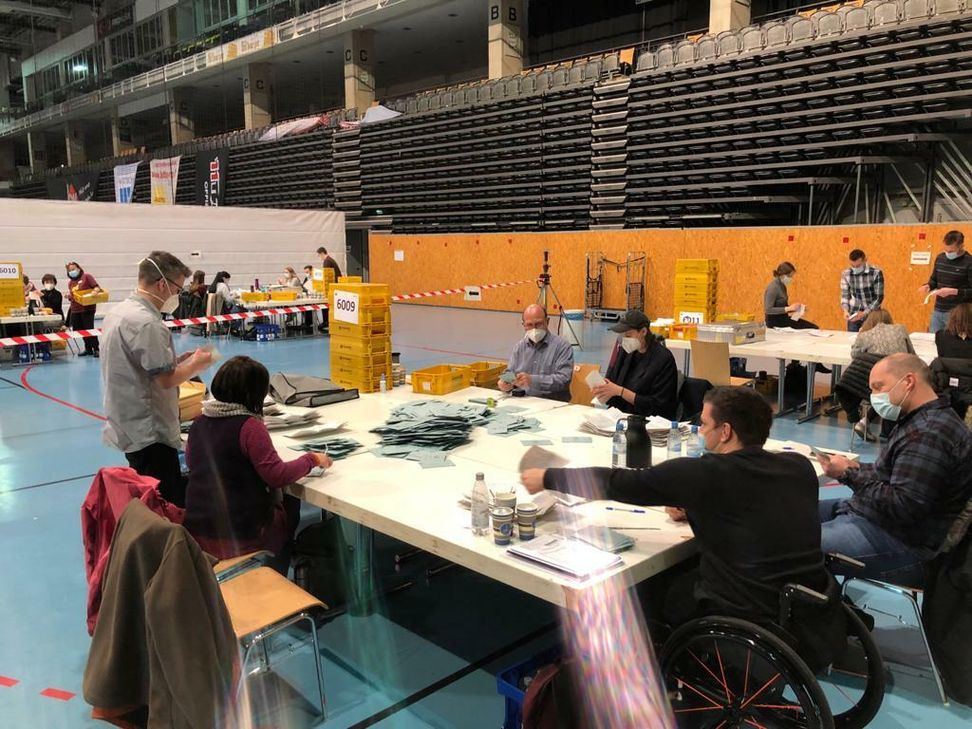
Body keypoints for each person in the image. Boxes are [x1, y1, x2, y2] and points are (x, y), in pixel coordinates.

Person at [520, 387, 845, 668]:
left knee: (641, 587)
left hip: (748, 606)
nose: (700, 431)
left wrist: (547, 477)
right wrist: (698, 510)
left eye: (704, 424)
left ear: (726, 431)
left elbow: (620, 483)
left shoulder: (706, 474)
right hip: (806, 601)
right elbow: (758, 511)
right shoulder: (799, 465)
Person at [818, 353, 972, 586]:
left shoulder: (930, 433)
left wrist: (848, 474)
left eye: (879, 387)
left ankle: (823, 615)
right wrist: (857, 467)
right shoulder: (918, 419)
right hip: (875, 518)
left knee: (788, 544)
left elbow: (903, 506)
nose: (874, 397)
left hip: (905, 543)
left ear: (908, 382)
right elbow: (894, 473)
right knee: (791, 513)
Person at [183, 356, 332, 570]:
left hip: (198, 529)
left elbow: (192, 462)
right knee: (290, 502)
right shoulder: (250, 427)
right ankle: (276, 572)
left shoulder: (198, 424)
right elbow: (277, 475)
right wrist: (312, 459)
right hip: (242, 533)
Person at [100, 252, 214, 507]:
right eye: (177, 289)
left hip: (128, 421)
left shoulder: (119, 313)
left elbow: (140, 365)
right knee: (165, 502)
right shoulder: (147, 323)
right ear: (163, 284)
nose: (177, 296)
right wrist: (196, 364)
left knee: (146, 491)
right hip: (150, 430)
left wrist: (175, 360)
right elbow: (165, 380)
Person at [838, 309, 914, 441]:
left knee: (881, 390)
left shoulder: (865, 335)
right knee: (896, 390)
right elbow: (911, 354)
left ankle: (864, 422)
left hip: (869, 381)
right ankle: (882, 430)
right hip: (896, 378)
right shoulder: (900, 329)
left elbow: (855, 355)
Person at [591, 309, 678, 419]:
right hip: (621, 416)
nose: (624, 340)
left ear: (643, 332)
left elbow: (659, 406)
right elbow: (614, 384)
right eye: (622, 336)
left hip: (648, 421)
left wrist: (620, 391)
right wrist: (605, 390)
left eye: (628, 335)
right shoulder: (625, 352)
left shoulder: (663, 359)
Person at [497, 304, 574, 402]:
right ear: (523, 325)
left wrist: (532, 380)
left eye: (539, 324)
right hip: (524, 401)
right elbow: (510, 372)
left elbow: (563, 380)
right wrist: (504, 381)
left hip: (552, 404)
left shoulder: (562, 346)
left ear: (547, 321)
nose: (534, 329)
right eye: (529, 325)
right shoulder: (519, 347)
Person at [922, 230, 972, 333]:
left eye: (951, 251)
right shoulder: (940, 258)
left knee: (954, 344)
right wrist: (928, 286)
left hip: (958, 313)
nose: (948, 254)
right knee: (933, 340)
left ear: (961, 246)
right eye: (946, 250)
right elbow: (934, 280)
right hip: (938, 310)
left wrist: (955, 291)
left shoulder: (969, 262)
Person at [763, 262, 818, 330]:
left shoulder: (782, 286)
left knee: (813, 327)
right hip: (775, 322)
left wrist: (797, 308)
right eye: (789, 276)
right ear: (782, 275)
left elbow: (782, 307)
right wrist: (789, 308)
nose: (791, 278)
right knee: (813, 328)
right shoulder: (773, 288)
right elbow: (768, 309)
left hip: (783, 318)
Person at [841, 249, 885, 332]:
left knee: (871, 341)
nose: (855, 268)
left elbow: (878, 297)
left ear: (865, 260)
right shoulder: (846, 274)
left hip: (872, 314)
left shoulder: (876, 273)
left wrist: (865, 312)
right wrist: (845, 310)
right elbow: (845, 294)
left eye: (858, 266)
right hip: (854, 314)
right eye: (852, 266)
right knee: (852, 341)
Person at [66, 261, 102, 357]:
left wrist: (95, 291)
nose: (71, 271)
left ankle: (96, 349)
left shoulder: (87, 277)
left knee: (89, 329)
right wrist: (69, 296)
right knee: (79, 329)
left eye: (73, 269)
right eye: (69, 270)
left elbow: (97, 287)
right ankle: (88, 349)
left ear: (78, 268)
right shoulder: (70, 283)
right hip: (75, 309)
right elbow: (73, 296)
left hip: (87, 308)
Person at [850, 309, 914, 359]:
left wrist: (859, 336)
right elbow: (912, 353)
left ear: (869, 321)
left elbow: (854, 354)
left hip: (877, 371)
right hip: (900, 370)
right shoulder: (900, 329)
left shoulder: (865, 335)